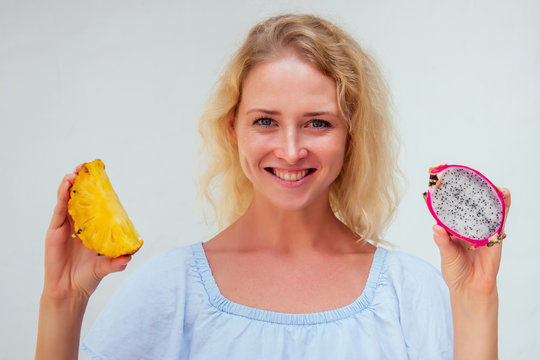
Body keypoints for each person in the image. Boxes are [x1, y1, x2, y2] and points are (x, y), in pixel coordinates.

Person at [36, 14, 510, 360]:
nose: (290, 150)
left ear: (351, 136)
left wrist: (476, 304)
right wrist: (63, 300)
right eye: (265, 120)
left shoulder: (413, 293)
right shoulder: (171, 289)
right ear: (232, 130)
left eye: (317, 123)